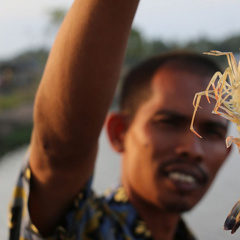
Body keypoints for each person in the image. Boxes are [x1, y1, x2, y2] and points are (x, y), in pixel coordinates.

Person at [8, 0, 232, 240]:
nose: (193, 149)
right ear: (119, 132)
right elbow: (60, 150)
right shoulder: (86, 227)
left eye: (212, 131)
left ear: (229, 150)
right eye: (169, 123)